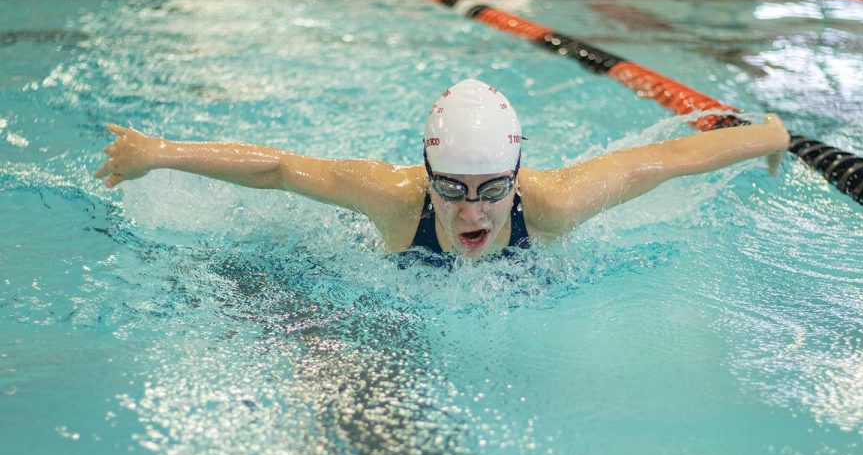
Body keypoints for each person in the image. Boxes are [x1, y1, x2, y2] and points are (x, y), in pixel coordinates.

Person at [95, 79, 789, 260]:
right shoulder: (395, 199)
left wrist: (768, 135)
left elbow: (663, 161)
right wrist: (159, 153)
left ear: (517, 179)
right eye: (451, 189)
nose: (471, 212)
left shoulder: (553, 204)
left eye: (492, 192)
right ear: (426, 176)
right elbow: (278, 169)